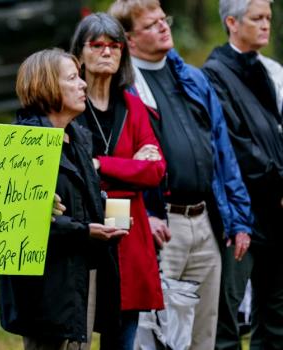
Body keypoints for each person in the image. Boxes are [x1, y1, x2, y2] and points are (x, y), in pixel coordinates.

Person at [109, 1, 254, 349]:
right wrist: (144, 214)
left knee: (205, 333)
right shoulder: (124, 90)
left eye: (164, 20)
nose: (163, 27)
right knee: (157, 334)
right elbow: (118, 164)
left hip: (204, 220)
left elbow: (222, 152)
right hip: (160, 226)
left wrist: (239, 218)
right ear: (129, 39)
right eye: (151, 24)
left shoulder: (193, 78)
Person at [0, 48, 128, 350]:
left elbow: (80, 201)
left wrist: (108, 215)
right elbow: (20, 224)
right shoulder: (23, 144)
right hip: (46, 291)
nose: (84, 85)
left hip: (82, 276)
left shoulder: (79, 137)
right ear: (47, 86)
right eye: (73, 78)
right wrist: (85, 231)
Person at [70, 12, 165, 350]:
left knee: (122, 336)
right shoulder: (69, 103)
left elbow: (155, 171)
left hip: (129, 235)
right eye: (97, 45)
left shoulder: (133, 105)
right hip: (81, 230)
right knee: (76, 330)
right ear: (79, 53)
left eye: (114, 46)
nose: (107, 52)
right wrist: (127, 168)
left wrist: (99, 164)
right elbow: (68, 170)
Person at [202, 0, 283, 348]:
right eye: (257, 18)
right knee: (228, 314)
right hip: (243, 210)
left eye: (268, 17)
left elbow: (275, 131)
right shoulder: (215, 73)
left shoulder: (265, 69)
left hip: (276, 209)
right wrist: (277, 182)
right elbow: (236, 144)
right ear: (232, 22)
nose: (266, 24)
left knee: (277, 310)